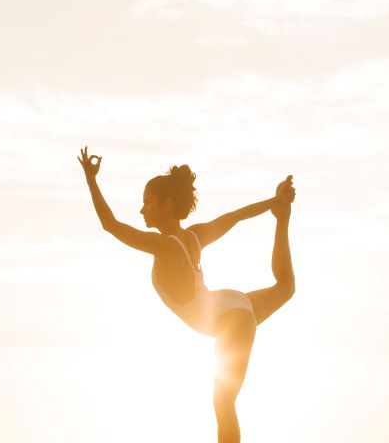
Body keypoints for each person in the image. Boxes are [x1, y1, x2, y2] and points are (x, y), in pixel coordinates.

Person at [79, 146, 296, 443]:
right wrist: (277, 203)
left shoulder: (165, 246)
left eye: (147, 202)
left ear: (166, 204)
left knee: (223, 402)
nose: (142, 210)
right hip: (229, 304)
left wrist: (91, 180)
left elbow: (110, 225)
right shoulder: (194, 236)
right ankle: (283, 219)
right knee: (285, 287)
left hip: (229, 316)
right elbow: (234, 216)